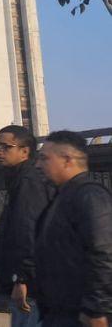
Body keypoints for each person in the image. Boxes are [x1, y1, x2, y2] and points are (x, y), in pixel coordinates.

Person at [35, 130, 112, 327]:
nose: (38, 165)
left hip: (80, 316)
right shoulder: (63, 197)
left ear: (67, 160)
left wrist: (96, 309)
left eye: (44, 158)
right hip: (60, 312)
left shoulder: (90, 196)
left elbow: (105, 254)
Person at [0, 125, 53, 326]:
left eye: (5, 147)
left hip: (30, 288)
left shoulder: (28, 181)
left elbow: (29, 231)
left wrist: (22, 279)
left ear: (24, 151)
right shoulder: (19, 179)